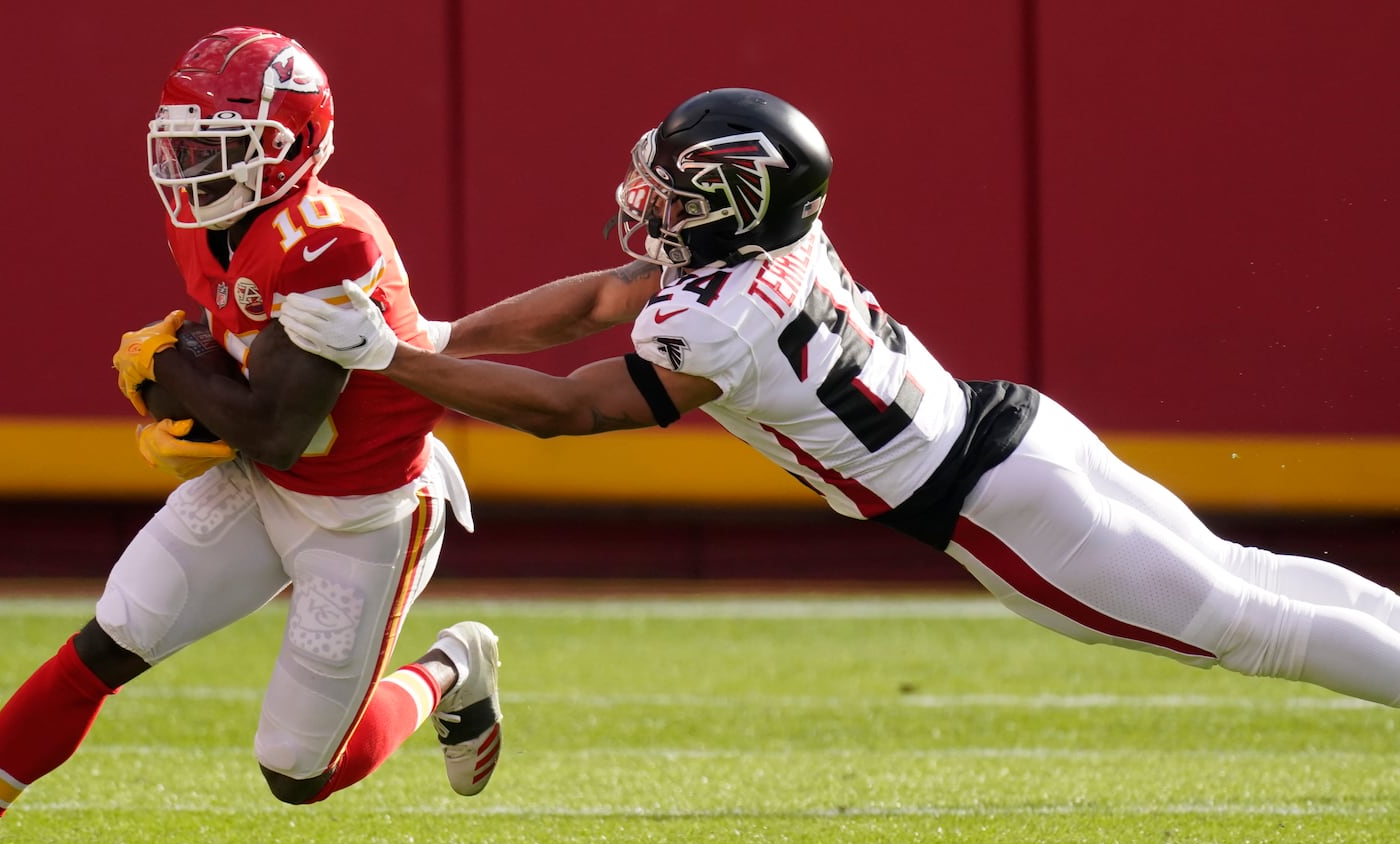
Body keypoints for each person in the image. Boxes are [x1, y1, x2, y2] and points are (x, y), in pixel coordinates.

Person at [280, 87, 1400, 714]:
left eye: (676, 189)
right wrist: (433, 334)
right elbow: (597, 300)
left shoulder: (714, 316)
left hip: (993, 502)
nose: (650, 200)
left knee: (1249, 628)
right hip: (1012, 426)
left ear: (733, 200)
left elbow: (573, 408)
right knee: (1250, 579)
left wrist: (394, 361)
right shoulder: (772, 243)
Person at [0, 26, 503, 844]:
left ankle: (452, 666)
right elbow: (245, 382)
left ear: (295, 143)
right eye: (184, 143)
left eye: (218, 147)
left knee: (299, 773)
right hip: (266, 484)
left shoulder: (332, 241)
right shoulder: (210, 225)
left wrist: (174, 363)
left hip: (363, 508)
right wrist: (183, 382)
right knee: (109, 640)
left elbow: (278, 426)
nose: (192, 168)